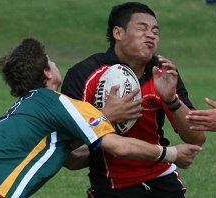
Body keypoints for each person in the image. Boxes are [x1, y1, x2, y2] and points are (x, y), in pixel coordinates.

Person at [0, 38, 201, 198]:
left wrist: (102, 123)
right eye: (52, 61)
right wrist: (172, 153)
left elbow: (70, 159)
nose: (57, 65)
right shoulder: (59, 102)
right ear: (47, 73)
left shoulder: (27, 108)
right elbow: (119, 147)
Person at [61, 2, 206, 198]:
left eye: (155, 31)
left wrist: (171, 100)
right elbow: (68, 146)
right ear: (118, 33)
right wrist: (106, 117)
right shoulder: (84, 74)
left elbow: (197, 138)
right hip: (113, 183)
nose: (151, 35)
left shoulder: (163, 72)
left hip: (161, 174)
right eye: (142, 28)